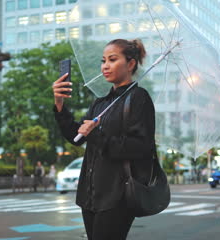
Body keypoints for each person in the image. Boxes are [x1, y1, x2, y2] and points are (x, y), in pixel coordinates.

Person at [53, 38, 154, 239]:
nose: (105, 66)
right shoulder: (100, 104)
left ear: (131, 63)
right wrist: (59, 104)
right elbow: (77, 137)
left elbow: (140, 147)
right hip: (89, 194)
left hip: (117, 195)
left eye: (113, 59)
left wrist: (97, 134)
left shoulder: (139, 99)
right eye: (103, 60)